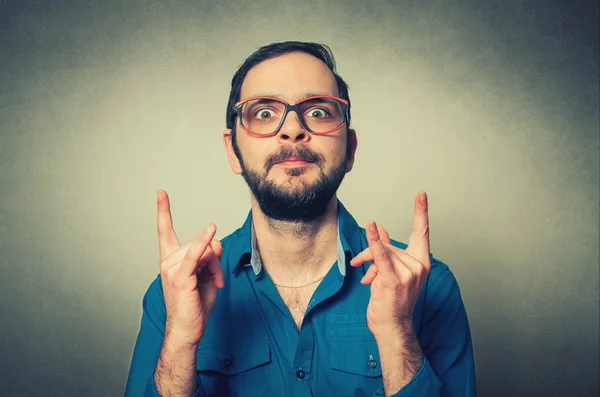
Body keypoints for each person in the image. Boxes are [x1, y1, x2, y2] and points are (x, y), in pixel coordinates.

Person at [125, 41, 476, 397]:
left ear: (350, 149)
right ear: (233, 151)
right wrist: (180, 340)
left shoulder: (429, 287)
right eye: (263, 112)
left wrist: (397, 332)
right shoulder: (175, 291)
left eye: (319, 111)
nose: (292, 129)